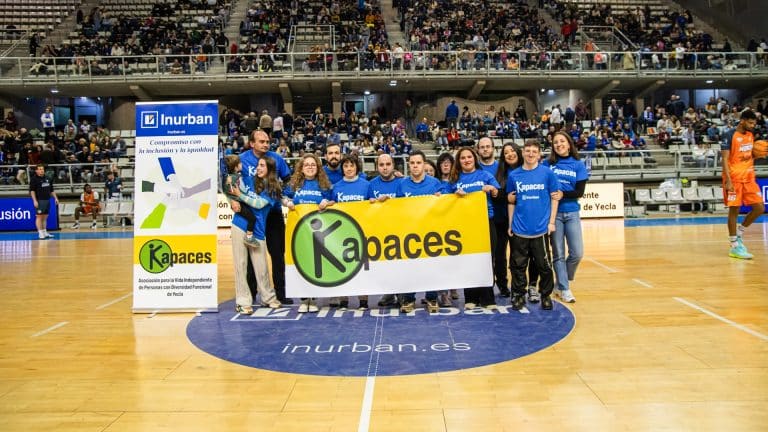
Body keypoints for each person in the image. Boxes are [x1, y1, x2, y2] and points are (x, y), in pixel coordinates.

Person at [239, 130, 293, 303]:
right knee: (252, 253)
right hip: (252, 215)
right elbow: (230, 180)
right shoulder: (242, 159)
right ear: (252, 143)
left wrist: (280, 193)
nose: (266, 144)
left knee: (278, 254)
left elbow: (289, 179)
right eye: (261, 141)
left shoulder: (276, 159)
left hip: (273, 212)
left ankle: (281, 292)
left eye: (267, 141)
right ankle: (253, 292)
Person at [507, 140, 560, 311]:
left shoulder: (547, 173)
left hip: (540, 229)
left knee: (544, 266)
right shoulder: (514, 175)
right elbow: (511, 201)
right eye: (527, 150)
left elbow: (555, 198)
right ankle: (518, 295)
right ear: (522, 153)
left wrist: (551, 222)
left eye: (534, 151)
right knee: (518, 265)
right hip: (520, 228)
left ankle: (545, 295)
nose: (530, 154)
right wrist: (510, 224)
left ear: (539, 154)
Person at [450, 146, 500, 309]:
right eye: (463, 158)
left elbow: (497, 191)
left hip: (486, 221)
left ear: (474, 158)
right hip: (465, 225)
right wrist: (454, 194)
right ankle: (470, 297)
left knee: (487, 260)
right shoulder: (455, 179)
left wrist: (491, 189)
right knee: (468, 261)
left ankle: (488, 298)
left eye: (469, 157)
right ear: (459, 161)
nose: (466, 160)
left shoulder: (485, 175)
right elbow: (446, 199)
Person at [231, 156, 282, 314]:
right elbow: (231, 187)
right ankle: (242, 301)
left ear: (270, 169)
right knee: (241, 265)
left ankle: (268, 297)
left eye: (262, 166)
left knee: (261, 267)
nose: (258, 168)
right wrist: (232, 200)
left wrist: (240, 196)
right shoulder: (248, 180)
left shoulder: (274, 189)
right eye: (258, 165)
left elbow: (258, 204)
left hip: (258, 231)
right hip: (239, 225)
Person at [284, 154, 334, 313]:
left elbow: (334, 201)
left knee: (314, 266)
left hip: (318, 232)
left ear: (318, 167)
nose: (310, 167)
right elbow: (283, 196)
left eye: (313, 164)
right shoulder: (295, 184)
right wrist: (287, 202)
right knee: (300, 265)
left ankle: (313, 298)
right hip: (299, 232)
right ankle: (303, 298)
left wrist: (327, 203)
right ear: (301, 167)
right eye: (307, 165)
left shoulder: (324, 184)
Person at [395, 150, 444, 312]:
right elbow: (397, 209)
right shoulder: (402, 184)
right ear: (409, 165)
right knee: (411, 267)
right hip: (410, 233)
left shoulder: (435, 183)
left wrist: (441, 199)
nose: (415, 166)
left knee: (432, 266)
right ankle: (409, 300)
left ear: (424, 164)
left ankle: (432, 298)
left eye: (418, 163)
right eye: (412, 163)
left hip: (431, 233)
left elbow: (444, 206)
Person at [544, 132, 588, 303]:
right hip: (553, 214)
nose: (559, 144)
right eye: (555, 142)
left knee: (577, 253)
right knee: (558, 254)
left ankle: (561, 281)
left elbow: (579, 192)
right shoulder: (547, 165)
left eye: (562, 141)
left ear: (569, 144)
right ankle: (564, 288)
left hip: (572, 212)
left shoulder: (578, 165)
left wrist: (562, 194)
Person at [329, 154, 373, 310]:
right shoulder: (336, 187)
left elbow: (373, 208)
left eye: (351, 166)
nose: (349, 169)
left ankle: (363, 301)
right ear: (342, 169)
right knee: (343, 267)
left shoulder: (366, 185)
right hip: (342, 233)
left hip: (362, 232)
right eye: (346, 166)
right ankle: (344, 300)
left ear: (357, 168)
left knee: (362, 267)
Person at [721, 109, 765, 259]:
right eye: (751, 122)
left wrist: (758, 153)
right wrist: (728, 181)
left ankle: (740, 233)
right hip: (734, 179)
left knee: (759, 208)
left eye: (754, 123)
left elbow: (748, 154)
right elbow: (725, 160)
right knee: (734, 211)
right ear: (742, 121)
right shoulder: (729, 135)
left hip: (749, 178)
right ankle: (734, 245)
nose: (753, 125)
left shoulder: (751, 135)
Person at [369, 153, 404, 308]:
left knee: (400, 264)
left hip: (400, 229)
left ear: (393, 166)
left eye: (388, 164)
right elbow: (366, 206)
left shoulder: (402, 182)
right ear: (377, 167)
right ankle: (389, 293)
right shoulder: (371, 184)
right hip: (380, 230)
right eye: (381, 165)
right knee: (385, 264)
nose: (385, 168)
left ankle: (402, 293)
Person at [477, 137, 510, 298]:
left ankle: (503, 284)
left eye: (487, 146)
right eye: (482, 147)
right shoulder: (475, 168)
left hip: (500, 216)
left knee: (500, 255)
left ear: (493, 148)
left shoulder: (502, 168)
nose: (485, 149)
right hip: (480, 219)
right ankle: (486, 286)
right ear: (478, 150)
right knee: (483, 256)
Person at [494, 143, 523, 299]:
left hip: (521, 220)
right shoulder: (500, 173)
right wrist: (507, 198)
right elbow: (498, 196)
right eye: (506, 153)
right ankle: (503, 285)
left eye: (512, 151)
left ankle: (518, 287)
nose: (510, 154)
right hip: (501, 219)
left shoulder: (526, 169)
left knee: (517, 257)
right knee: (500, 256)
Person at [223, 154, 267, 246]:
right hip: (240, 203)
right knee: (252, 218)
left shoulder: (231, 177)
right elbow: (239, 190)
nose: (241, 164)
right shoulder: (235, 178)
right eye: (239, 163)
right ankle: (249, 237)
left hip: (240, 202)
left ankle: (239, 234)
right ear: (235, 167)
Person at [29, 164, 58, 240]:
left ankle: (45, 232)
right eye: (40, 169)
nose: (42, 170)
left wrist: (56, 198)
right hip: (40, 200)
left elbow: (51, 190)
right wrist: (35, 201)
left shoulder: (48, 178)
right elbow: (32, 191)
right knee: (39, 217)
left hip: (47, 200)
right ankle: (40, 233)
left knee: (45, 217)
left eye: (42, 169)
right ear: (36, 170)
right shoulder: (34, 179)